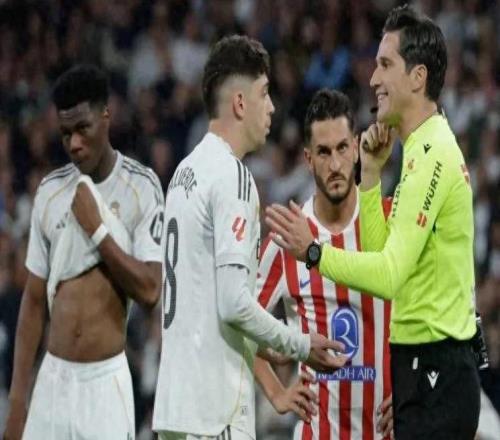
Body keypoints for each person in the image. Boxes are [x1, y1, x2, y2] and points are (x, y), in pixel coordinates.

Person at [265, 5, 480, 439]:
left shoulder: (432, 155)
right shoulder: (417, 151)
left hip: (438, 369)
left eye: (385, 64)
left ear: (417, 77)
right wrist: (372, 178)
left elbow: (388, 275)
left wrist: (314, 253)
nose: (373, 79)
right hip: (422, 368)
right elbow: (381, 253)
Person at [152, 35, 347, 440]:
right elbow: (234, 303)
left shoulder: (184, 172)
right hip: (215, 411)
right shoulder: (232, 176)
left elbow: (209, 300)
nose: (272, 106)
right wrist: (300, 344)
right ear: (240, 103)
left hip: (177, 406)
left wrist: (265, 352)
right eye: (264, 93)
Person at [4, 65, 164, 440]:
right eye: (65, 134)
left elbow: (150, 289)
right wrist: (17, 402)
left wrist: (98, 231)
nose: (74, 143)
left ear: (106, 116)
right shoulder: (50, 192)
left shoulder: (142, 187)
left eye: (82, 128)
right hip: (52, 380)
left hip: (105, 383)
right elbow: (33, 302)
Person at [254, 89, 393, 439]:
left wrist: (418, 385)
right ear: (308, 159)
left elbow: (435, 310)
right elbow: (238, 321)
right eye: (324, 152)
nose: (335, 165)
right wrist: (277, 393)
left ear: (357, 147)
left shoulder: (389, 220)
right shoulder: (287, 239)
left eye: (343, 148)